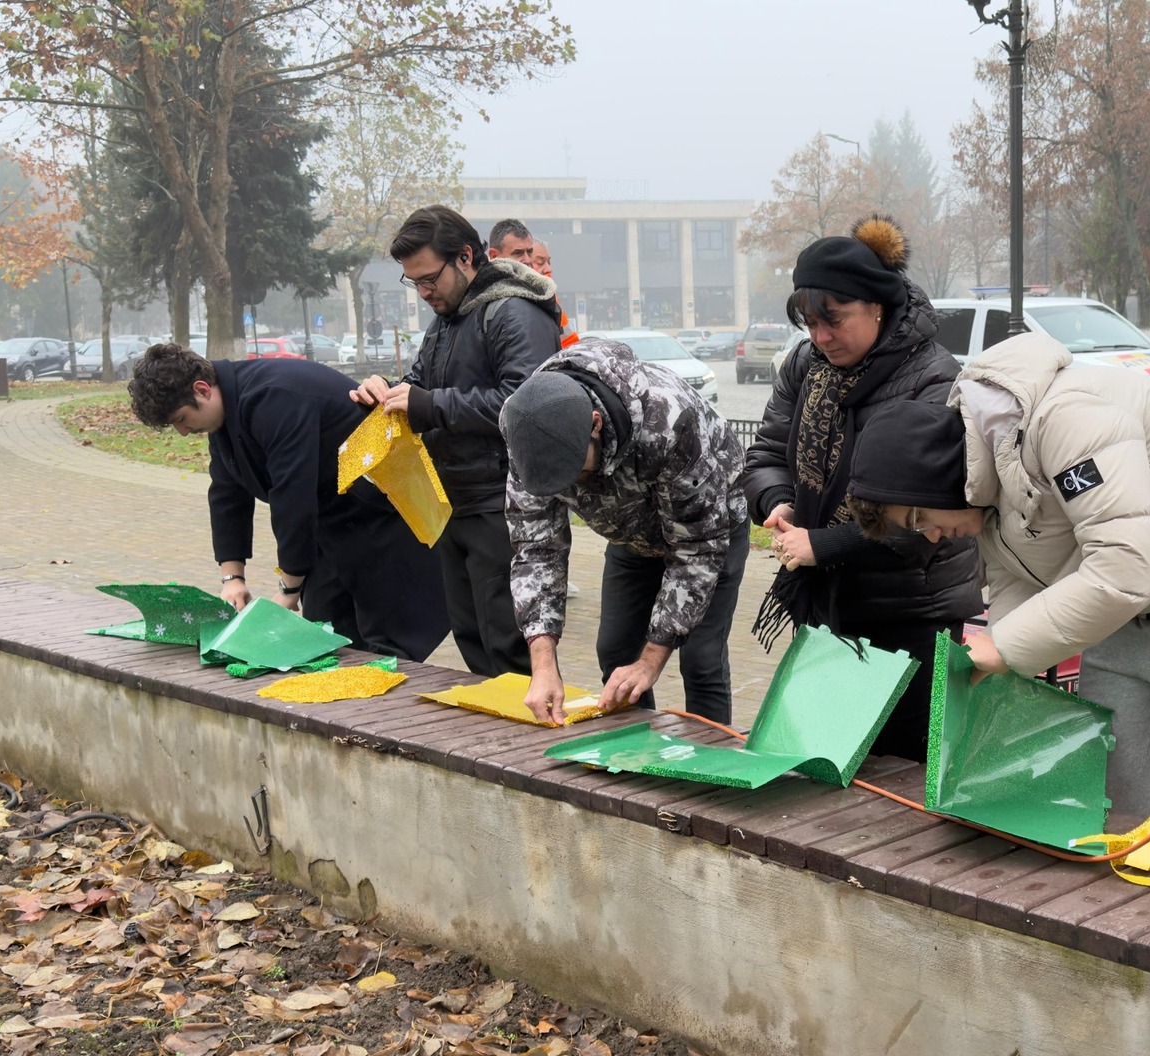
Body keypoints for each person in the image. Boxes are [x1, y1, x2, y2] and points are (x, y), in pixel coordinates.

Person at [842, 332, 1150, 830]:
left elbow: (1125, 567)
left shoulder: (1066, 420)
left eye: (918, 517)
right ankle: (1130, 905)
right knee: (1110, 800)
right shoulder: (986, 483)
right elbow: (1017, 580)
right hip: (1119, 609)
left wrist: (1006, 647)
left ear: (933, 477)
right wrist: (1003, 660)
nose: (931, 536)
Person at [738, 215, 982, 760]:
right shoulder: (806, 365)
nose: (822, 338)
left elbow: (931, 518)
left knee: (907, 769)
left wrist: (821, 545)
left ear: (877, 304)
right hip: (824, 603)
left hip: (912, 609)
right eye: (810, 324)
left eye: (836, 321)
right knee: (823, 758)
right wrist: (776, 502)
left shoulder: (933, 378)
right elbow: (768, 453)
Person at [129, 343, 450, 661]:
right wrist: (233, 578)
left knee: (388, 655)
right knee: (327, 641)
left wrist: (288, 590)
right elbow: (227, 493)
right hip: (335, 532)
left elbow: (293, 496)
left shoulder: (274, 397)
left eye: (181, 419)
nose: (183, 432)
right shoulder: (227, 411)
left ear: (202, 390)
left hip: (385, 530)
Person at [350, 205, 563, 676]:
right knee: (473, 641)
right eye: (414, 283)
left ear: (466, 257)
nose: (424, 293)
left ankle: (527, 744)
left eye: (429, 279)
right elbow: (423, 385)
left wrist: (429, 405)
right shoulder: (447, 320)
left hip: (506, 504)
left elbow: (527, 406)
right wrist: (383, 393)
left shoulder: (515, 313)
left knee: (510, 648)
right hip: (454, 502)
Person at [499, 338, 748, 723]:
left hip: (709, 531)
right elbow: (536, 551)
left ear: (595, 424)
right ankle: (636, 760)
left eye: (574, 472)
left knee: (699, 660)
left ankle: (713, 772)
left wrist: (651, 661)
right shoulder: (527, 431)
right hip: (631, 535)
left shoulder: (667, 421)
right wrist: (544, 662)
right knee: (616, 652)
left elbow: (696, 548)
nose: (574, 487)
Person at [528, 238, 580, 350]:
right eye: (540, 262)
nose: (548, 268)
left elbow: (569, 342)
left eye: (549, 262)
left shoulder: (550, 297)